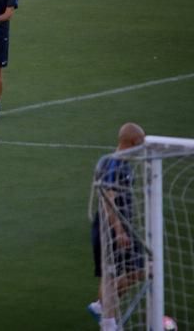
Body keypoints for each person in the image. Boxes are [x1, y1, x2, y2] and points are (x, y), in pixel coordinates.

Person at [87, 123, 146, 330]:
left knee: (144, 270)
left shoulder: (125, 164)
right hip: (110, 229)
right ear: (131, 142)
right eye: (140, 143)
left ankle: (101, 307)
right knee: (110, 275)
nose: (142, 147)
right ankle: (109, 323)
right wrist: (119, 230)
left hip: (122, 228)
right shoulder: (113, 164)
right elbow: (107, 199)